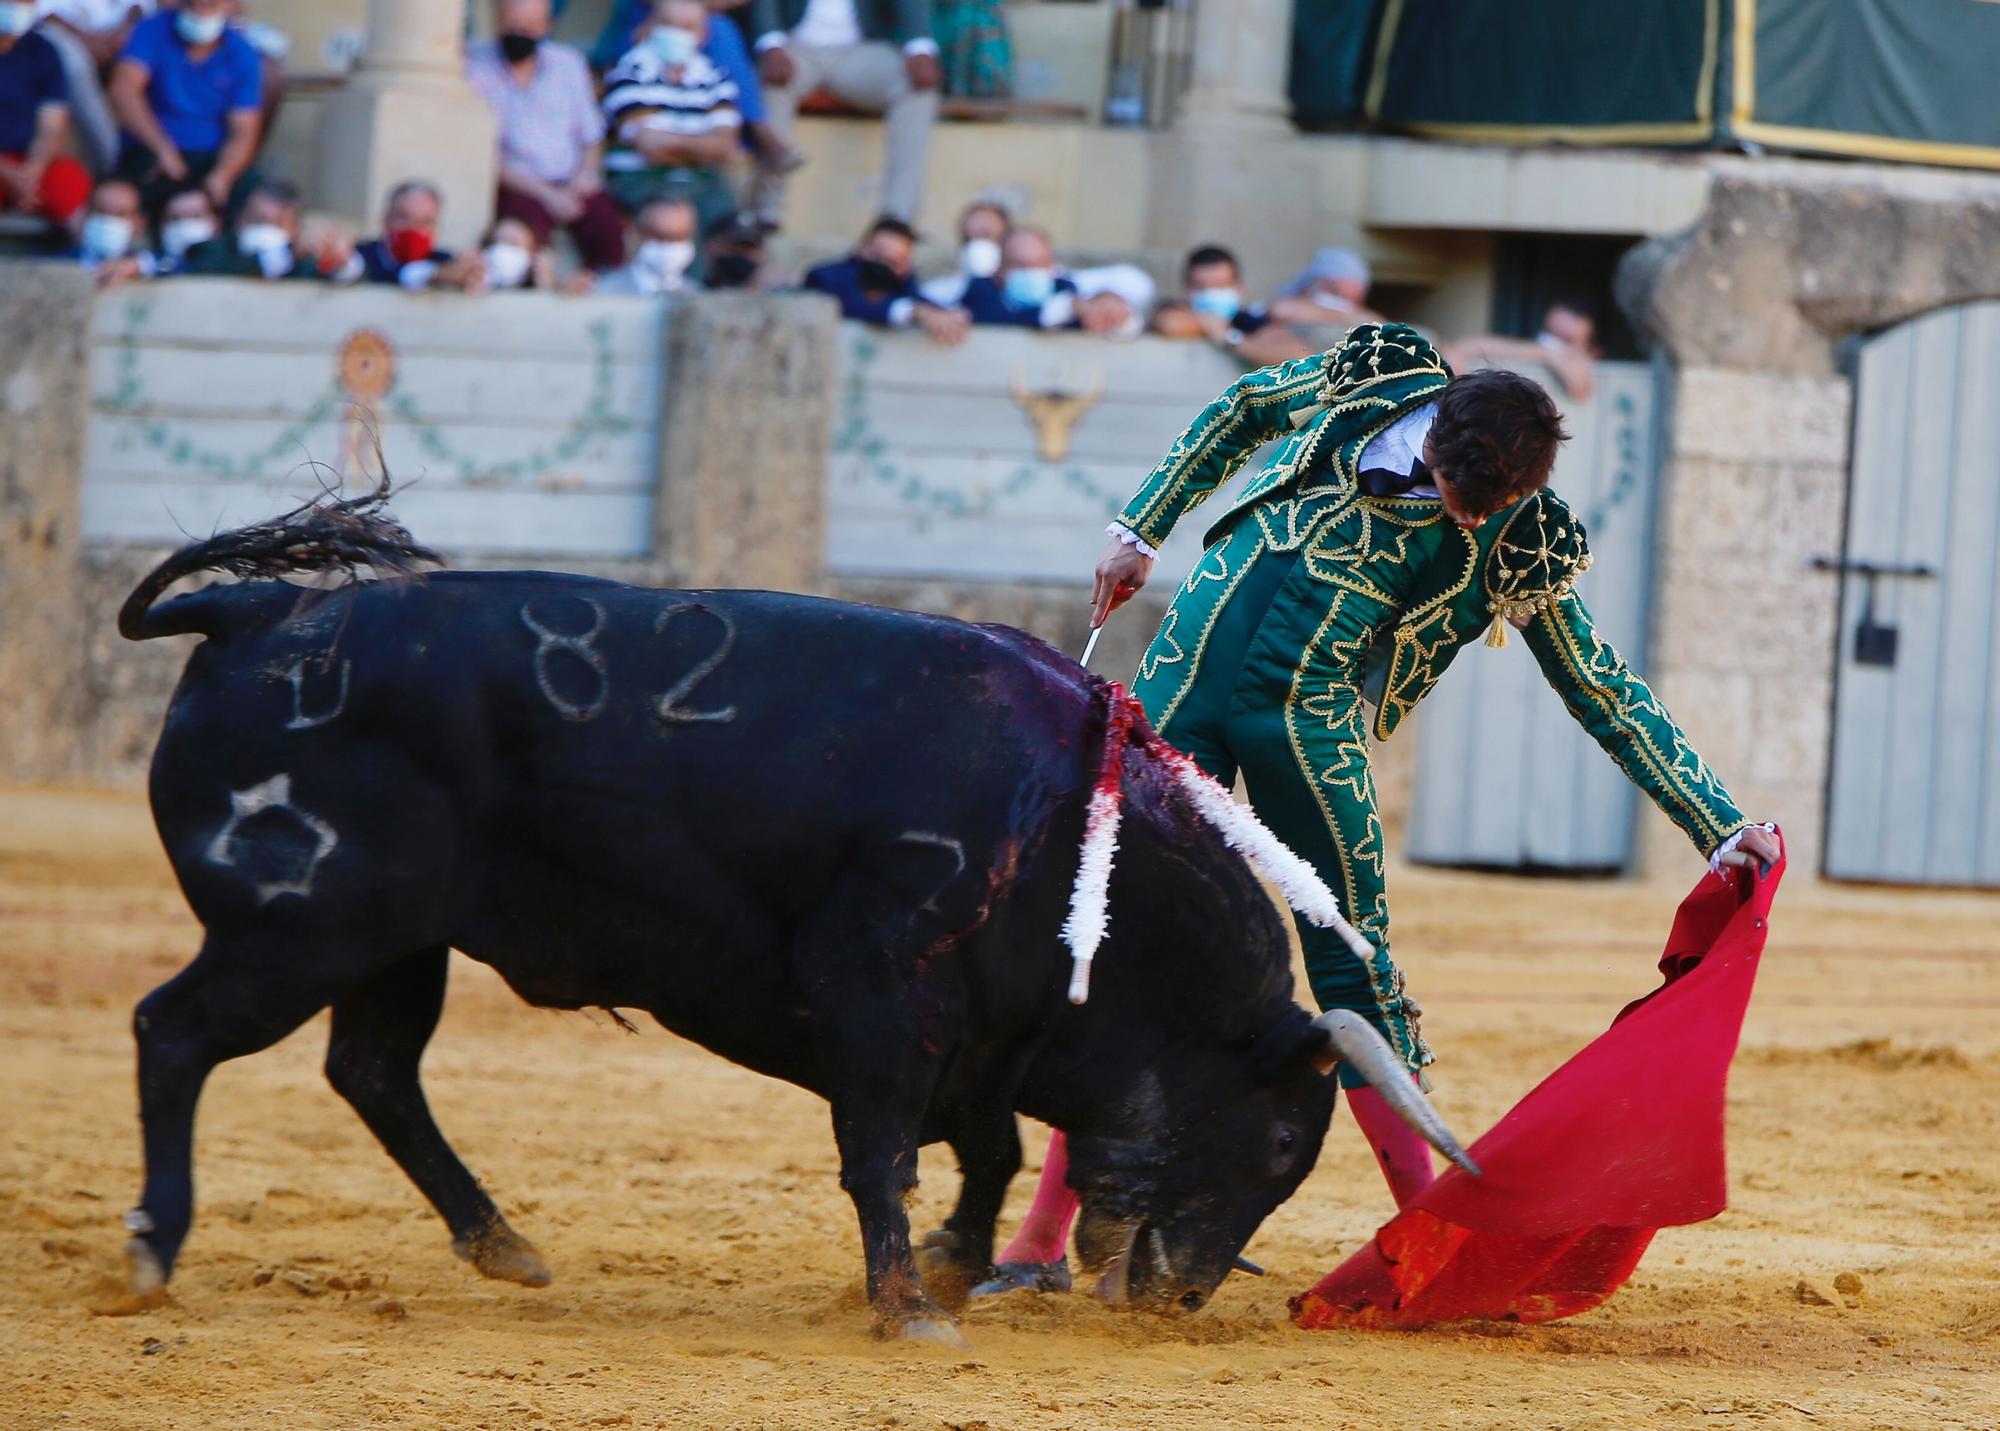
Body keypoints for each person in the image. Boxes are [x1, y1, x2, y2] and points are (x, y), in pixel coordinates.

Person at [979, 322, 1781, 1294]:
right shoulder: (1374, 379)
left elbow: (1594, 683)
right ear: (1433, 436)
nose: (1473, 520)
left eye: (1497, 506)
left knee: (1353, 964)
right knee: (1120, 937)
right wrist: (1140, 527)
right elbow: (1241, 409)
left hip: (1306, 732)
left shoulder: (1523, 532)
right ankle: (1036, 1244)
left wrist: (1713, 821)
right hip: (1178, 693)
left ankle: (1427, 1235)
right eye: (1459, 495)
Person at [744, 0, 939, 230]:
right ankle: (764, 212)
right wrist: (771, 43)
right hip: (795, 45)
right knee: (772, 83)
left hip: (857, 50)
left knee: (915, 89)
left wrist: (919, 46)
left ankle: (898, 217)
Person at [467, 0, 626, 273]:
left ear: (545, 27)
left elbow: (591, 135)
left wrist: (583, 178)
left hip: (572, 180)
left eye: (527, 28)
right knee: (517, 237)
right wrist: (548, 195)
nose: (518, 34)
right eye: (511, 26)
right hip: (518, 184)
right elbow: (481, 152)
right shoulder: (474, 64)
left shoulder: (568, 64)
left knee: (607, 233)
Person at [108, 0, 261, 220]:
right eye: (192, 5)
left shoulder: (242, 52)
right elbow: (124, 90)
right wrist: (162, 149)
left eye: (209, 6)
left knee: (254, 199)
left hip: (210, 157)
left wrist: (221, 177)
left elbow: (244, 131)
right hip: (151, 151)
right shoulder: (151, 31)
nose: (199, 12)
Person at [600, 0, 741, 234]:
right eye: (668, 24)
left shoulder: (715, 76)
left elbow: (726, 146)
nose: (676, 33)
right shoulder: (627, 72)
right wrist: (704, 146)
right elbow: (651, 147)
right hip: (640, 180)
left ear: (703, 35)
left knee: (739, 241)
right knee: (677, 219)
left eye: (686, 27)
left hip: (701, 182)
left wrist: (672, 142)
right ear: (648, 26)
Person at [802, 214, 967, 344]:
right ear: (863, 248)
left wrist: (947, 315)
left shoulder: (901, 285)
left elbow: (921, 303)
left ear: (905, 266)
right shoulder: (824, 277)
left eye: (894, 261)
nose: (883, 265)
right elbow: (850, 304)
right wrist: (913, 312)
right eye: (878, 255)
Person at [0, 2, 93, 230]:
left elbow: (53, 124)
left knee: (70, 182)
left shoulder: (42, 50)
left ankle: (88, 259)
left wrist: (33, 170)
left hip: (28, 164)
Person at [32, 0, 151, 175]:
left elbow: (141, 6)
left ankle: (147, 155)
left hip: (124, 32)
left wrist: (126, 27)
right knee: (74, 62)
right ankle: (110, 159)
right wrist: (85, 40)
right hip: (66, 35)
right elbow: (43, 13)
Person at [1150, 243, 1309, 365]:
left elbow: (1298, 355)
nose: (1210, 293)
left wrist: (1229, 338)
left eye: (1220, 285)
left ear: (1239, 289)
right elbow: (1169, 323)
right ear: (1186, 289)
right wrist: (1208, 324)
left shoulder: (1248, 321)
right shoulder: (1171, 308)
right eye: (1200, 286)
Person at [178, 177, 352, 281]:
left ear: (295, 231)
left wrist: (341, 259)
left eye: (276, 224)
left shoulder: (303, 263)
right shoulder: (211, 250)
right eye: (256, 220)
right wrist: (288, 254)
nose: (264, 230)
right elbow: (202, 270)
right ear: (240, 221)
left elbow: (339, 276)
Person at [1442, 301, 1602, 402]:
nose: (1551, 344)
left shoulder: (1594, 368)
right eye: (1549, 333)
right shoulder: (1541, 355)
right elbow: (1463, 349)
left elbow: (1581, 387)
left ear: (1594, 351)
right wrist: (1546, 354)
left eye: (1566, 340)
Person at [354, 180, 484, 292]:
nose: (414, 228)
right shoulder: (361, 255)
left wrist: (472, 274)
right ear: (386, 221)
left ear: (436, 229)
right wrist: (434, 275)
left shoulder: (445, 260)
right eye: (404, 218)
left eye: (426, 222)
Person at [958, 225, 1076, 329]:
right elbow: (992, 318)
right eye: (1019, 265)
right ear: (999, 270)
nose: (1030, 271)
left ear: (1052, 266)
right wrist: (1063, 310)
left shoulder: (1066, 290)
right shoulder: (979, 291)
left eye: (1039, 264)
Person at [593, 193, 700, 295]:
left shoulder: (698, 294)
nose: (670, 246)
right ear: (636, 234)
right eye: (660, 237)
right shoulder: (600, 292)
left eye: (679, 237)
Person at [917, 198, 1006, 308]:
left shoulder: (1012, 290)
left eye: (991, 220)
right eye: (978, 219)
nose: (984, 224)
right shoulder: (938, 288)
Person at [1267, 245, 1384, 327]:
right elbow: (1281, 311)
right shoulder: (1288, 306)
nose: (1343, 302)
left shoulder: (1359, 317)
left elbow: (1377, 324)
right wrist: (1344, 316)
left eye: (1353, 297)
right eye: (1335, 292)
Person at [69, 175, 151, 285]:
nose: (108, 221)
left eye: (120, 214)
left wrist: (141, 266)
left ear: (138, 223)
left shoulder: (150, 265)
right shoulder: (59, 262)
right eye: (101, 211)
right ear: (86, 214)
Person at [150, 179, 215, 270]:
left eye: (195, 217)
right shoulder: (147, 264)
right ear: (161, 225)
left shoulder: (232, 262)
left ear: (216, 222)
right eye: (176, 218)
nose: (185, 225)